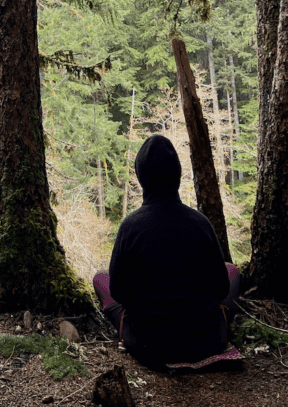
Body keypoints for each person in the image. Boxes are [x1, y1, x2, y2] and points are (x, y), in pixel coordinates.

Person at [93, 134, 240, 367]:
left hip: (147, 345)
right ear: (178, 176)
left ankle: (126, 330)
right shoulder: (201, 223)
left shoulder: (130, 227)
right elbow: (221, 288)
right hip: (209, 341)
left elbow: (118, 292)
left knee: (100, 278)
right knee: (231, 271)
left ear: (141, 177)